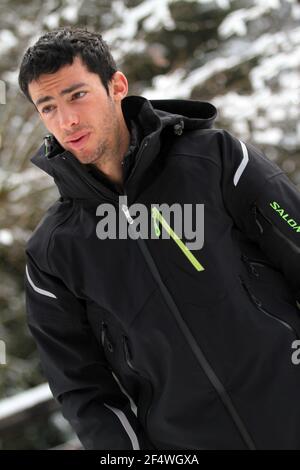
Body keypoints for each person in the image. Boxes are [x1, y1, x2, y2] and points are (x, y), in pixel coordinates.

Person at [18, 26, 300, 450]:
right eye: (48, 106)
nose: (67, 120)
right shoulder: (53, 252)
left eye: (77, 95)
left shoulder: (217, 160)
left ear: (117, 85)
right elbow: (82, 390)